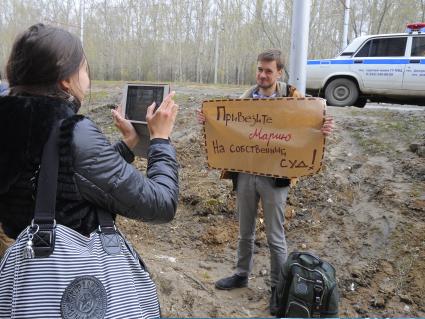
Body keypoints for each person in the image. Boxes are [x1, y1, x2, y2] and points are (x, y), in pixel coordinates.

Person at [0, 24, 178, 249]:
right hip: (68, 274)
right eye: (84, 69)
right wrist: (161, 140)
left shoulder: (13, 123)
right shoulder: (70, 131)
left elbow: (60, 175)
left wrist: (127, 146)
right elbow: (161, 203)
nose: (87, 79)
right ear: (65, 79)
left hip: (21, 267)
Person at [197, 49, 334, 315]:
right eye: (260, 69)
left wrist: (326, 126)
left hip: (275, 177)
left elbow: (314, 121)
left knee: (275, 236)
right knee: (245, 229)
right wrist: (207, 121)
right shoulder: (246, 100)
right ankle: (241, 274)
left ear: (279, 72)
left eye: (268, 71)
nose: (262, 75)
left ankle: (278, 288)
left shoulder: (293, 98)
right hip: (246, 173)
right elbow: (226, 127)